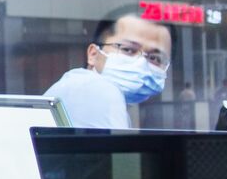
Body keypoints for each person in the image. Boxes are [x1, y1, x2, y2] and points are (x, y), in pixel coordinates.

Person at [44, 11, 172, 129]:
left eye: (155, 58)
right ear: (93, 54)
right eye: (128, 49)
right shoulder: (96, 89)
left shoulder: (81, 86)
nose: (142, 64)